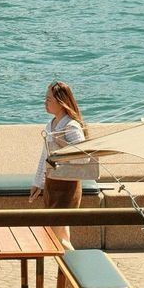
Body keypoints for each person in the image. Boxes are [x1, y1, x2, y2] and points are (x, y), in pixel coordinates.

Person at [30, 81, 90, 248]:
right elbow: (45, 156)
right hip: (52, 185)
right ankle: (63, 273)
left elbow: (84, 157)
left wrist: (62, 143)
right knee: (61, 235)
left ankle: (75, 268)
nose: (45, 102)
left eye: (49, 99)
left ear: (61, 102)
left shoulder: (71, 126)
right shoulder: (51, 124)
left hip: (67, 188)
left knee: (58, 238)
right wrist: (38, 183)